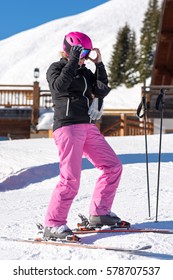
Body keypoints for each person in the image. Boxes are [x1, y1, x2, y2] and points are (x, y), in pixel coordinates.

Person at [44, 31, 123, 240]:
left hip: (88, 127)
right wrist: (71, 62)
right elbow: (59, 86)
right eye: (80, 51)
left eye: (86, 52)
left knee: (113, 166)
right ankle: (53, 224)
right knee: (70, 179)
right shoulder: (56, 68)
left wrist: (99, 65)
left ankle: (99, 213)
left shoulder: (85, 71)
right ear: (69, 50)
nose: (83, 56)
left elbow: (102, 89)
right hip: (68, 127)